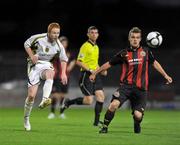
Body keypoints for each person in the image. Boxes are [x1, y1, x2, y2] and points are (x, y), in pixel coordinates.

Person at [89, 27, 173, 133]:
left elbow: (155, 63)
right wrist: (95, 73)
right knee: (113, 105)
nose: (135, 39)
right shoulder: (124, 53)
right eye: (133, 37)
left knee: (138, 116)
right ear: (129, 39)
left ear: (140, 39)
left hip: (141, 89)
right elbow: (109, 63)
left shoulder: (146, 52)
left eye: (137, 37)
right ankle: (104, 127)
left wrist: (165, 75)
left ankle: (136, 123)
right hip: (125, 87)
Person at [23, 22, 68, 131]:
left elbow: (64, 59)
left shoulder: (58, 45)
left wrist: (63, 73)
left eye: (58, 33)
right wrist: (31, 55)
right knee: (31, 96)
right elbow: (26, 43)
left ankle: (45, 99)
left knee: (50, 73)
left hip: (46, 64)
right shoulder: (39, 38)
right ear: (48, 32)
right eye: (54, 33)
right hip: (34, 65)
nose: (56, 35)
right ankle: (26, 118)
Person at [61, 26, 107, 126]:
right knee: (89, 101)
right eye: (92, 33)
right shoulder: (85, 46)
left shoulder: (96, 47)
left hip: (95, 75)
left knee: (101, 96)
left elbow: (95, 63)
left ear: (98, 35)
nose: (94, 34)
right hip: (86, 75)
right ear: (88, 34)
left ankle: (96, 122)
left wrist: (101, 70)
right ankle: (69, 103)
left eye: (96, 33)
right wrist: (90, 70)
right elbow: (78, 61)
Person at [48, 36, 76, 119]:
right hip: (56, 77)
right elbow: (49, 61)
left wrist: (71, 66)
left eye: (65, 43)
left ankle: (61, 113)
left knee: (63, 95)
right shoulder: (55, 52)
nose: (64, 44)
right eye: (62, 42)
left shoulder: (68, 53)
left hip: (65, 77)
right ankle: (52, 113)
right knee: (55, 95)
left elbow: (74, 60)